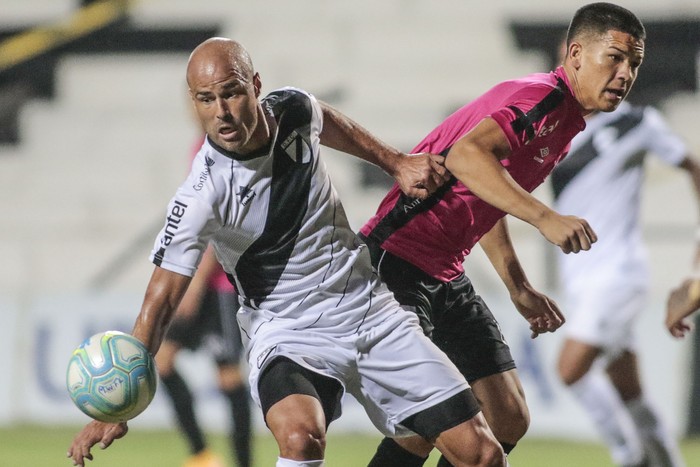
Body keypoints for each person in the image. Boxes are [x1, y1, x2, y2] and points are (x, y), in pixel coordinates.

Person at [67, 37, 510, 467]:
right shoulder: (200, 195)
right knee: (300, 438)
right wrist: (118, 405)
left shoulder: (293, 109)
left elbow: (327, 120)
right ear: (194, 102)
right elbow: (160, 299)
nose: (221, 112)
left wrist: (395, 162)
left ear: (255, 86)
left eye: (231, 93)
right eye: (206, 100)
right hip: (288, 330)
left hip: (371, 310)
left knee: (483, 454)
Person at [360, 3, 646, 466]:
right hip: (397, 262)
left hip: (445, 273)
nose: (625, 72)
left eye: (634, 63)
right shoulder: (543, 98)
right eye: (613, 57)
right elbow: (466, 158)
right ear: (575, 54)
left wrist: (518, 286)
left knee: (508, 416)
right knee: (441, 426)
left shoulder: (565, 123)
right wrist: (545, 217)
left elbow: (486, 196)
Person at [552, 97, 700, 465]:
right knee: (630, 393)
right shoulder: (557, 130)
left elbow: (693, 166)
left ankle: (630, 456)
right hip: (582, 280)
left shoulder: (636, 122)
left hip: (617, 274)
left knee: (570, 371)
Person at [155, 244, 252, 467]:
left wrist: (195, 287)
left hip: (219, 290)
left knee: (229, 378)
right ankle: (201, 455)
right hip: (192, 284)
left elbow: (217, 235)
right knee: (163, 361)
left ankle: (244, 463)